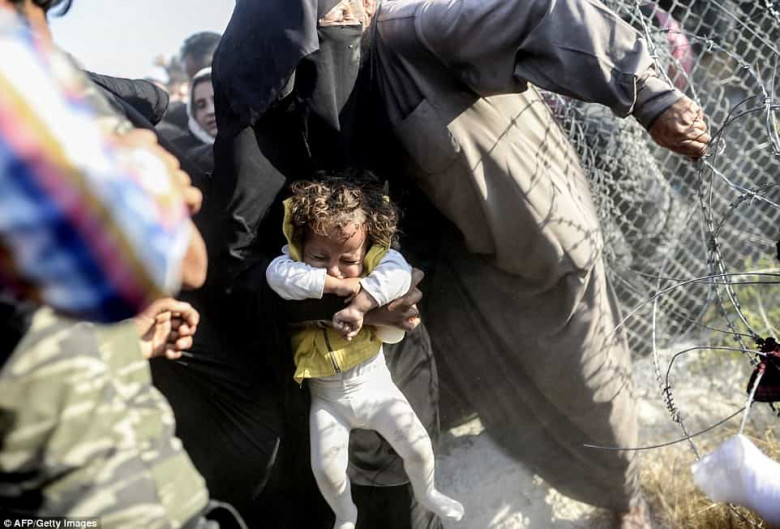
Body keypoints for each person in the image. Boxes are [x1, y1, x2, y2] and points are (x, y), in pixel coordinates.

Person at [205, 1, 711, 527]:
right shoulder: (290, 94)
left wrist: (650, 96)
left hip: (540, 250)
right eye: (328, 17)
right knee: (500, 399)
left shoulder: (416, 31)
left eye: (346, 10)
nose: (343, 19)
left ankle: (624, 499)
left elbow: (542, 13)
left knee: (586, 384)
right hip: (457, 274)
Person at [265, 172, 464, 529]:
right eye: (319, 256)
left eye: (348, 260)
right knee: (327, 469)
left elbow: (400, 274)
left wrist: (361, 302)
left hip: (376, 389)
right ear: (300, 244)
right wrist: (336, 286)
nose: (334, 267)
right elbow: (277, 277)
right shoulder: (288, 264)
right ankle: (346, 515)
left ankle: (429, 492)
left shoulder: (378, 262)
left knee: (418, 446)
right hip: (328, 402)